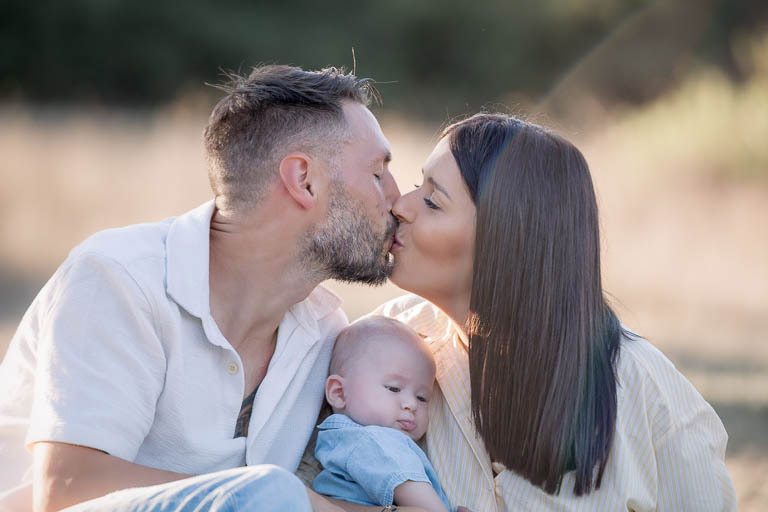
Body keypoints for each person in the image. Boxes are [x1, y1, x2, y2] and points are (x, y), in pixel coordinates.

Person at [0, 65, 403, 512]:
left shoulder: (325, 330)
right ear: (304, 180)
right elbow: (68, 488)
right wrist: (279, 498)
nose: (397, 197)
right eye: (378, 172)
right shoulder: (119, 278)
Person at [375, 113, 737, 510]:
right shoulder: (381, 345)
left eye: (431, 201)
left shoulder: (647, 395)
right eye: (415, 185)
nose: (399, 206)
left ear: (507, 238)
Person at [311, 316, 451, 512]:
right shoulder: (375, 440)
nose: (411, 404)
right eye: (393, 388)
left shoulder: (344, 440)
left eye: (422, 397)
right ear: (339, 392)